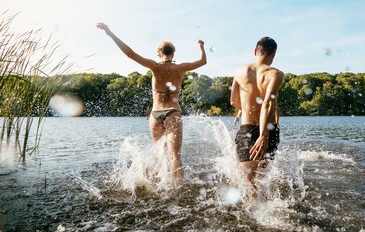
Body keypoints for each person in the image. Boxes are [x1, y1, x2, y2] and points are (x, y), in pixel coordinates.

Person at [96, 22, 207, 184]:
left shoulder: (154, 66)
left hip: (155, 116)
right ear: (173, 53)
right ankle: (177, 190)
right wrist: (201, 46)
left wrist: (110, 33)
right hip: (173, 112)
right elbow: (203, 61)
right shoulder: (181, 68)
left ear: (158, 53)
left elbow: (130, 54)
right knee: (175, 155)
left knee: (158, 153)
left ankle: (156, 185)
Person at [230, 37, 284, 184]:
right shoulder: (275, 74)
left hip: (247, 128)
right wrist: (263, 136)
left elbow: (233, 101)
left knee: (248, 182)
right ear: (273, 54)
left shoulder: (239, 71)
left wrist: (246, 110)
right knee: (262, 179)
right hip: (268, 130)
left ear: (255, 51)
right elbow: (268, 102)